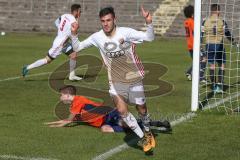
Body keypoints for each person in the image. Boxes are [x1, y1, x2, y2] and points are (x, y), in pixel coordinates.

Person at [70, 6, 155, 152]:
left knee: (141, 109)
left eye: (108, 20)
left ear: (114, 19)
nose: (106, 23)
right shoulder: (97, 37)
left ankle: (147, 131)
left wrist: (149, 22)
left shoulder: (126, 32)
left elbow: (149, 37)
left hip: (133, 77)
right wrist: (74, 34)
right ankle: (143, 138)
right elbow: (77, 47)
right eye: (103, 21)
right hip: (115, 81)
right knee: (122, 111)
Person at [44, 85, 172, 133]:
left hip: (108, 115)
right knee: (106, 129)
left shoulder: (78, 101)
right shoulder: (74, 104)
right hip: (104, 122)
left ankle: (158, 124)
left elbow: (68, 120)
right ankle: (144, 126)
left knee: (127, 125)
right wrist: (53, 123)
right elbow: (71, 119)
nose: (60, 97)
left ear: (67, 95)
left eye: (61, 95)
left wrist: (52, 125)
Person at [22, 4, 82, 81]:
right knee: (47, 60)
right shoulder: (73, 19)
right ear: (76, 11)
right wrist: (78, 19)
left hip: (63, 42)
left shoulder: (65, 15)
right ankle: (27, 67)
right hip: (60, 44)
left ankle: (72, 75)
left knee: (73, 55)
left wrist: (61, 30)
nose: (80, 13)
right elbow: (76, 27)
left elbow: (56, 22)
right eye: (80, 11)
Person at [202, 4, 236, 93]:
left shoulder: (205, 21)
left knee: (212, 66)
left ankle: (214, 86)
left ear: (211, 11)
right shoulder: (222, 21)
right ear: (218, 11)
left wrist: (200, 45)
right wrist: (233, 41)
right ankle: (220, 86)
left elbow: (201, 34)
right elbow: (227, 33)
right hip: (219, 45)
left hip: (209, 45)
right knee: (222, 65)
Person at [183, 5, 206, 82]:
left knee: (198, 60)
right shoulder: (192, 22)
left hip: (189, 44)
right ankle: (201, 77)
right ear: (192, 14)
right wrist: (202, 25)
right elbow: (197, 32)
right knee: (203, 58)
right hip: (194, 44)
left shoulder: (186, 21)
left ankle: (189, 72)